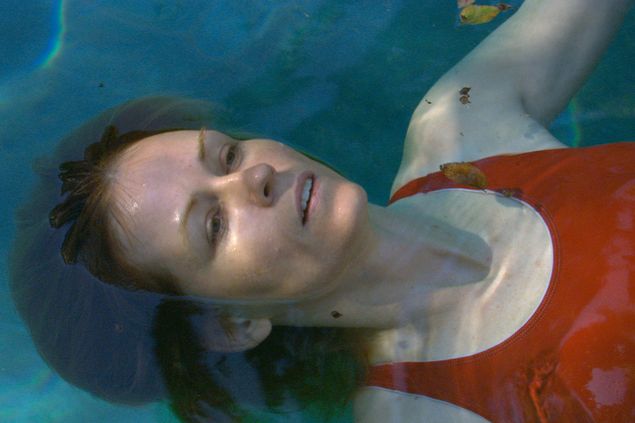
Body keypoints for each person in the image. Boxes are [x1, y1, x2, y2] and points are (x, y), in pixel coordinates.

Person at [11, 0, 634, 421]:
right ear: (231, 326)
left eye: (225, 156)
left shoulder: (464, 126)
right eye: (214, 224)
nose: (252, 177)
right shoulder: (421, 413)